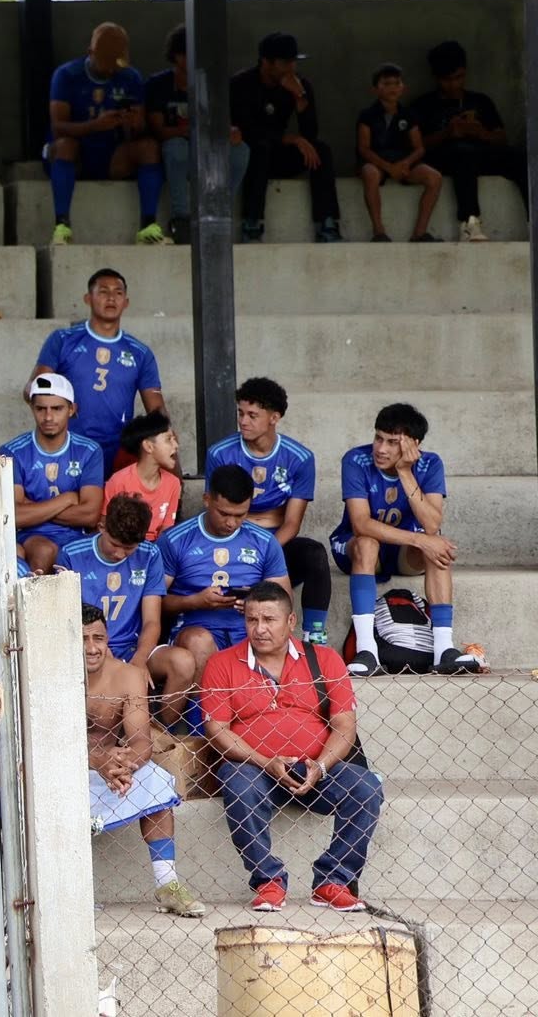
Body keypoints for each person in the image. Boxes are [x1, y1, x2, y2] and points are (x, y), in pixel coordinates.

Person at [201, 581, 382, 913]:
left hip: (315, 768)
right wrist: (265, 761)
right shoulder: (222, 663)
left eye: (269, 619)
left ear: (291, 621)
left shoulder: (325, 659)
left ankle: (333, 881)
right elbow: (217, 730)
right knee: (238, 783)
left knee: (366, 788)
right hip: (254, 767)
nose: (259, 629)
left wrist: (321, 766)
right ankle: (268, 880)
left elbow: (345, 726)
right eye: (252, 620)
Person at [330, 403, 480, 676]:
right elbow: (361, 523)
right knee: (368, 543)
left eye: (392, 442)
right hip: (358, 548)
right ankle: (367, 650)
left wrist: (405, 472)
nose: (381, 448)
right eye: (378, 438)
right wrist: (421, 540)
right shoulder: (355, 459)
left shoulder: (430, 463)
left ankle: (443, 649)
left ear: (414, 444)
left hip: (403, 552)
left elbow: (432, 524)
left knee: (438, 547)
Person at [81, 603, 205, 917]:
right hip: (65, 775)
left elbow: (140, 740)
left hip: (113, 773)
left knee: (155, 779)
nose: (92, 648)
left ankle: (167, 884)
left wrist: (126, 766)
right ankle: (67, 891)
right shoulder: (50, 677)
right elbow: (48, 741)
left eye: (98, 638)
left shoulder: (129, 675)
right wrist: (98, 760)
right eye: (83, 639)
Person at [204, 377, 332, 642]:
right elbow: (216, 509)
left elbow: (292, 522)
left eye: (252, 415)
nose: (243, 421)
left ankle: (314, 636)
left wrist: (266, 550)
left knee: (315, 554)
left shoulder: (299, 457)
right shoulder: (220, 453)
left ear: (274, 417)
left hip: (277, 542)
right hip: (232, 541)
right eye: (240, 413)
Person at [57, 496, 197, 720]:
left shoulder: (150, 554)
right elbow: (68, 618)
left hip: (133, 647)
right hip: (90, 648)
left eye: (129, 549)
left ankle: (162, 729)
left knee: (183, 662)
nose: (120, 554)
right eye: (115, 545)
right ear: (102, 527)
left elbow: (152, 620)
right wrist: (103, 652)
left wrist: (139, 660)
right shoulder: (72, 554)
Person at [158, 464, 289, 696]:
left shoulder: (264, 541)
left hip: (248, 628)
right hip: (194, 628)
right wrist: (195, 602)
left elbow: (283, 599)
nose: (231, 523)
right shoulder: (175, 540)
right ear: (207, 500)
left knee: (272, 634)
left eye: (240, 515)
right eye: (224, 514)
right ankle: (200, 715)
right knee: (199, 641)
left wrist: (254, 604)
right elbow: (154, 603)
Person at [45, 23, 168, 246]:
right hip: (78, 155)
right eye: (106, 63)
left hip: (113, 155)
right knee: (64, 145)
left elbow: (140, 128)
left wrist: (133, 123)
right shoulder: (66, 75)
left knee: (149, 147)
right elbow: (58, 127)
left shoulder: (130, 77)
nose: (112, 70)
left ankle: (148, 226)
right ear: (90, 53)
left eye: (116, 63)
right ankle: (61, 226)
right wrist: (95, 125)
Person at [29, 268, 165, 466]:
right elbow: (34, 389)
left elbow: (158, 413)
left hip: (119, 450)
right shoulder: (63, 340)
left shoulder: (140, 352)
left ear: (126, 302)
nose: (111, 298)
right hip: (71, 449)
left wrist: (174, 469)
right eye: (103, 292)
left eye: (118, 293)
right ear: (88, 298)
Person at [231, 32, 341, 243]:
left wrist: (300, 99)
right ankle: (252, 223)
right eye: (285, 63)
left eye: (293, 62)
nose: (291, 68)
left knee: (321, 149)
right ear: (266, 62)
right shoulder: (242, 83)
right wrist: (287, 139)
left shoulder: (299, 85)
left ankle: (327, 224)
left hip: (279, 156)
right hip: (249, 157)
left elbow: (310, 134)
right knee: (259, 148)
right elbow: (246, 130)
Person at [149, 24, 250, 246]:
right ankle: (181, 219)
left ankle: (219, 212)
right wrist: (185, 131)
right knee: (176, 147)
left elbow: (222, 123)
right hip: (176, 152)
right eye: (192, 54)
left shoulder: (212, 84)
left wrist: (229, 133)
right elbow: (158, 131)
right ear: (177, 56)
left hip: (205, 150)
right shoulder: (159, 84)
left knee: (240, 151)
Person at [413, 39, 522, 242]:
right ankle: (469, 223)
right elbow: (415, 146)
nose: (454, 84)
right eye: (447, 80)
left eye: (459, 77)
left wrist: (482, 133)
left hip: (480, 155)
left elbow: (501, 138)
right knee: (462, 152)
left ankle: (533, 220)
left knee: (521, 157)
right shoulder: (423, 105)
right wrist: (447, 133)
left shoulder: (480, 101)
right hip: (445, 158)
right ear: (436, 77)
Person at [7, 373, 107, 575]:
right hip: (31, 535)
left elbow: (90, 515)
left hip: (77, 536)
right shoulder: (13, 451)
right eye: (41, 409)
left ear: (71, 409)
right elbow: (13, 515)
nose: (48, 417)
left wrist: (33, 508)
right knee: (44, 550)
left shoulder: (89, 450)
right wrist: (67, 499)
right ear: (32, 408)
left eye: (57, 408)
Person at [355, 63, 442, 242]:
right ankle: (379, 232)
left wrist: (405, 163)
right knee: (370, 173)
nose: (393, 88)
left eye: (397, 83)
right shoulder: (367, 115)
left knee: (434, 177)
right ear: (375, 89)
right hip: (378, 162)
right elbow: (364, 148)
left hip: (403, 163)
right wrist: (388, 167)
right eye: (387, 84)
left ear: (403, 87)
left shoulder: (408, 115)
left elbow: (419, 148)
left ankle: (419, 233)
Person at [103, 411, 181, 542]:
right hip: (124, 546)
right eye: (168, 439)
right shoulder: (118, 481)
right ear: (148, 446)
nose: (176, 445)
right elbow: (105, 527)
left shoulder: (173, 483)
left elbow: (166, 531)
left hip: (156, 548)